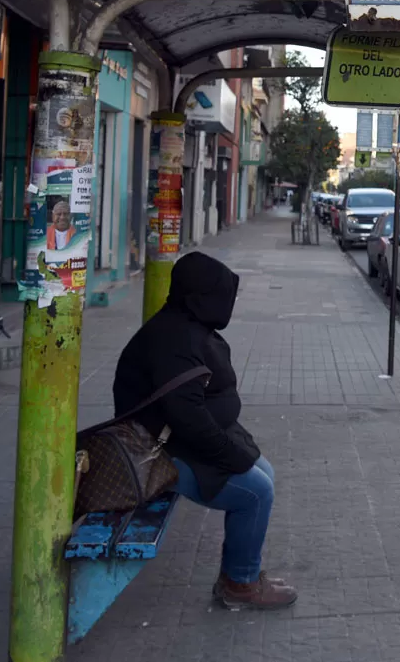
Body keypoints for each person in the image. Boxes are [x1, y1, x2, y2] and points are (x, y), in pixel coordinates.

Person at [112, 251, 297, 610]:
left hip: (177, 438)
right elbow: (188, 418)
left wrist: (235, 448)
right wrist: (230, 454)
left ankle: (242, 571)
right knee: (256, 493)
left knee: (265, 474)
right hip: (155, 452)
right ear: (200, 297)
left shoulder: (186, 324)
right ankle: (239, 584)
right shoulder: (174, 340)